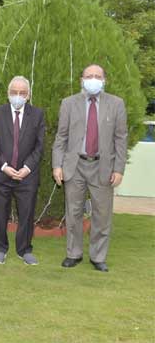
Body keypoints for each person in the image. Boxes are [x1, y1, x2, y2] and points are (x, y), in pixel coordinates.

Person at [53, 64, 127, 272]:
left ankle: (98, 256)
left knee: (102, 215)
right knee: (73, 212)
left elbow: (121, 139)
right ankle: (73, 253)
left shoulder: (116, 104)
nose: (93, 79)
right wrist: (57, 165)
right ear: (81, 80)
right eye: (89, 76)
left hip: (103, 166)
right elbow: (61, 137)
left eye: (97, 76)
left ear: (104, 80)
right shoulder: (68, 103)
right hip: (74, 165)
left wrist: (119, 168)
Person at [0, 76, 45, 265]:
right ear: (8, 94)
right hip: (1, 173)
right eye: (14, 92)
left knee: (27, 214)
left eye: (22, 93)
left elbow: (39, 145)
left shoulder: (37, 115)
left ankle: (24, 250)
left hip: (27, 175)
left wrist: (27, 168)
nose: (18, 96)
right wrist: (5, 166)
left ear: (28, 95)